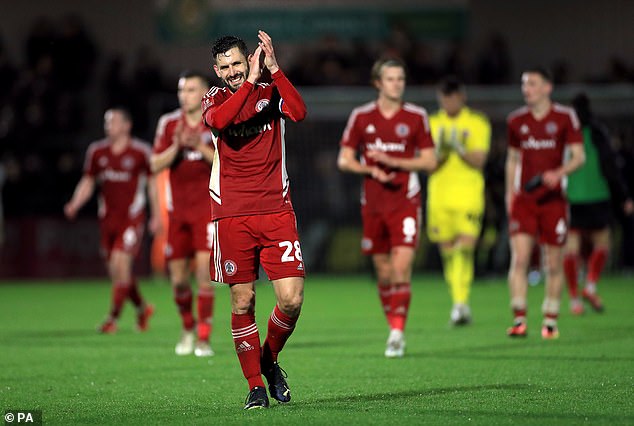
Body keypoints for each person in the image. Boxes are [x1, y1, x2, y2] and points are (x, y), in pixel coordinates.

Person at [201, 31, 307, 410]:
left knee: (291, 300)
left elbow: (299, 112)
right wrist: (249, 82)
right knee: (242, 299)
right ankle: (255, 386)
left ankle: (268, 358)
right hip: (231, 214)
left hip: (276, 210)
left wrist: (275, 71)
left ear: (249, 60)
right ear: (216, 70)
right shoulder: (213, 98)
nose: (231, 71)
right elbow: (221, 120)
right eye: (224, 66)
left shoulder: (271, 91)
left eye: (237, 64)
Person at [337, 57, 437, 357]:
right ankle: (392, 323)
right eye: (391, 78)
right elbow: (344, 159)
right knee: (383, 271)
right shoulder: (362, 116)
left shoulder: (416, 116)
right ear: (378, 83)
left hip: (406, 201)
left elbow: (430, 161)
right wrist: (370, 170)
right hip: (374, 204)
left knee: (401, 266)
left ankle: (397, 332)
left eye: (401, 78)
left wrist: (395, 161)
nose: (397, 84)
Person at [505, 68, 585, 339]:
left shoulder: (564, 118)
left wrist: (558, 173)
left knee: (553, 262)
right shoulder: (516, 121)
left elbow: (578, 157)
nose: (527, 89)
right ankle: (519, 319)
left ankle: (550, 320)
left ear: (547, 87)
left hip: (553, 201)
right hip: (524, 200)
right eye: (524, 83)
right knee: (521, 259)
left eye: (533, 83)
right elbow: (513, 159)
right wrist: (509, 194)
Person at [64, 108, 158, 333]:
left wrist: (156, 214)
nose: (109, 126)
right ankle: (142, 309)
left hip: (132, 218)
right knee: (118, 272)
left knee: (120, 264)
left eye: (113, 121)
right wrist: (75, 203)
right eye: (107, 122)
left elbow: (153, 185)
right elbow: (88, 181)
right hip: (108, 220)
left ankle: (112, 320)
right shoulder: (97, 151)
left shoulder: (140, 152)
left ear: (127, 125)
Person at [151, 70, 216, 357]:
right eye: (181, 90)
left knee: (204, 273)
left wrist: (198, 146)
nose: (184, 95)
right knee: (177, 279)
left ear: (203, 93)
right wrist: (178, 146)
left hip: (207, 211)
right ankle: (187, 328)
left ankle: (203, 338)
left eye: (190, 89)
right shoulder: (168, 124)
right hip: (177, 214)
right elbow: (153, 165)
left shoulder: (215, 120)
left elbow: (226, 163)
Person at [428, 76, 491, 325]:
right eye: (444, 98)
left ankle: (461, 303)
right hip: (440, 197)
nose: (448, 102)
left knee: (465, 248)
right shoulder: (431, 123)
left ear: (461, 97)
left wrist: (460, 148)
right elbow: (429, 164)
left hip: (468, 194)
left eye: (452, 97)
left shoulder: (476, 122)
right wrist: (443, 151)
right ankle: (458, 301)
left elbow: (479, 160)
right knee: (447, 251)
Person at [563, 93, 634, 315]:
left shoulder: (565, 134)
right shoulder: (599, 133)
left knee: (571, 249)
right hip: (597, 197)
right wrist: (623, 196)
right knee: (603, 243)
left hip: (572, 197)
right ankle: (591, 286)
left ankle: (574, 299)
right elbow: (611, 168)